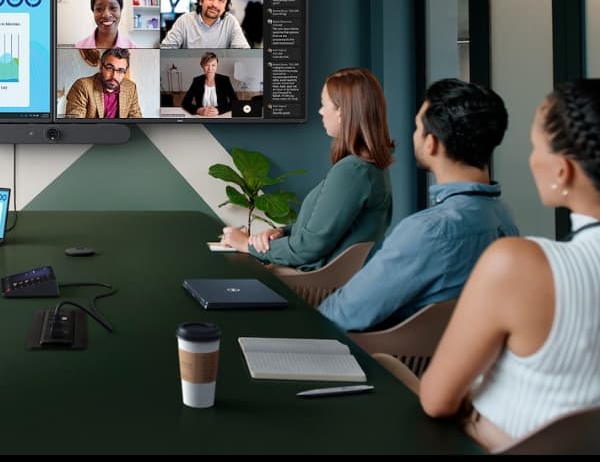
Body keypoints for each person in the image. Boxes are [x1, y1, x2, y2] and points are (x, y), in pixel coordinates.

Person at [419, 79, 600, 452]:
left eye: (536, 147)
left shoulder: (518, 264)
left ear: (563, 170)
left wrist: (474, 417)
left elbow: (437, 400)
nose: (531, 159)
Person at [318, 79, 518, 332]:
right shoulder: (503, 218)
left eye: (416, 128)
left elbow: (340, 315)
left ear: (431, 143)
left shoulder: (429, 230)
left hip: (382, 361)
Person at [221, 67, 394, 270]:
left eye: (324, 105)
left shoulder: (354, 171)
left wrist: (245, 244)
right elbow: (325, 230)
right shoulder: (367, 167)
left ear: (343, 111)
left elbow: (308, 249)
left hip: (311, 285)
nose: (320, 111)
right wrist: (283, 233)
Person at [160, 0, 250, 49]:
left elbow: (243, 51)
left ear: (225, 7)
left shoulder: (231, 22)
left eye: (221, 0)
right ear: (201, 1)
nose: (215, 4)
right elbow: (166, 48)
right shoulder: (184, 21)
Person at [64, 47, 142, 119]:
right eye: (109, 68)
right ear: (101, 67)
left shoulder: (131, 87)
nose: (114, 76)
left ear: (125, 72)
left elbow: (136, 119)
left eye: (120, 71)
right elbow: (75, 124)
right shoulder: (82, 86)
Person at [73, 0, 138, 50]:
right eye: (99, 9)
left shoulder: (132, 47)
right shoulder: (79, 47)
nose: (106, 14)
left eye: (113, 8)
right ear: (93, 12)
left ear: (120, 10)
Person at [181, 51, 240, 116]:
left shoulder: (224, 80)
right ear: (202, 65)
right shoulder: (197, 81)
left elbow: (235, 102)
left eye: (213, 65)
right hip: (202, 116)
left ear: (217, 65)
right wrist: (198, 110)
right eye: (206, 65)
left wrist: (219, 110)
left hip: (220, 116)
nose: (210, 68)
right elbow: (185, 103)